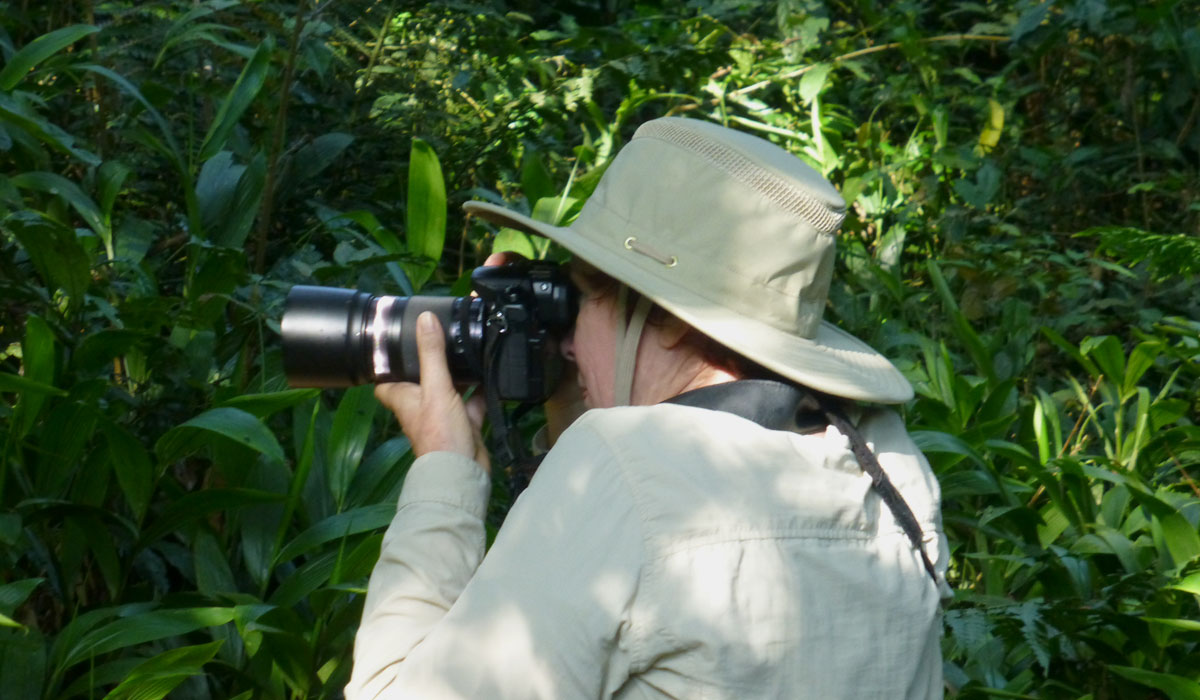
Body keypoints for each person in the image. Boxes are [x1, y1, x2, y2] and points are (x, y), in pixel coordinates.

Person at [344, 117, 950, 699]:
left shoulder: (625, 467)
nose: (570, 338)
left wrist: (447, 465)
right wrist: (566, 399)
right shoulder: (890, 463)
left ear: (659, 318)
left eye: (581, 297)